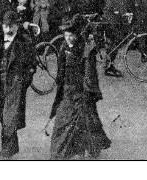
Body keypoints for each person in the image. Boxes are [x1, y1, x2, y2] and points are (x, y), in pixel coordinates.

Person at [48, 15, 112, 159]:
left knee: (87, 121)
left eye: (71, 35)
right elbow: (61, 70)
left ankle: (87, 149)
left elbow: (89, 73)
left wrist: (86, 91)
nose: (68, 38)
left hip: (81, 91)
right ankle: (60, 153)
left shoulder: (85, 50)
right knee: (62, 121)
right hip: (67, 90)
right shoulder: (63, 46)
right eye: (66, 35)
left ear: (77, 35)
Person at [0, 10, 37, 158]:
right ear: (1, 25)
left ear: (17, 26)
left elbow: (31, 66)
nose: (8, 30)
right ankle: (10, 147)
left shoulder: (25, 42)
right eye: (5, 26)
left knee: (9, 116)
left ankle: (7, 149)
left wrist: (23, 83)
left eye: (12, 26)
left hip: (14, 86)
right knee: (1, 116)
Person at [101, 0, 130, 78]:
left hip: (107, 14)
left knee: (110, 40)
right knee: (115, 41)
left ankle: (108, 64)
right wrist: (124, 13)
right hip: (114, 17)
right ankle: (110, 66)